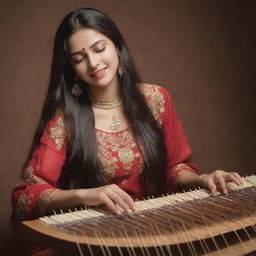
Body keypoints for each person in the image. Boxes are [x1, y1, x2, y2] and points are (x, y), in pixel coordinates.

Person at [11, 7, 243, 222]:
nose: (93, 63)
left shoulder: (156, 99)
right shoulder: (66, 120)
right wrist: (86, 195)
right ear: (71, 69)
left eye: (100, 48)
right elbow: (26, 195)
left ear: (117, 47)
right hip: (94, 233)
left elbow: (175, 169)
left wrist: (203, 179)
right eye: (79, 59)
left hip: (151, 224)